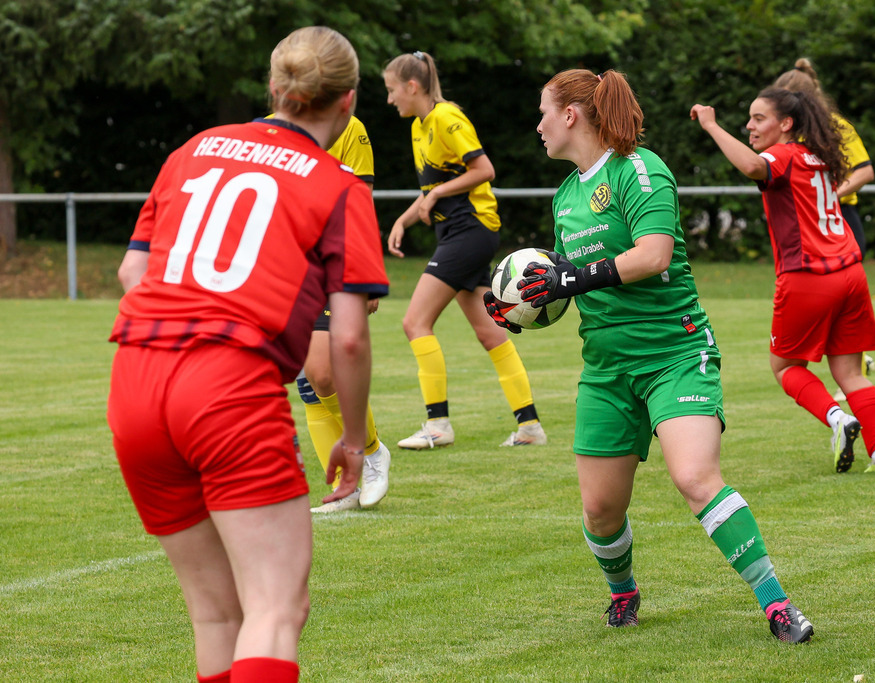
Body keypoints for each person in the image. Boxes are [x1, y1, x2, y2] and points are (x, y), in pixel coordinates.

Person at [486, 68, 814, 643]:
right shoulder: (566, 195)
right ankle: (623, 593)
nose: (536, 125)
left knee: (694, 476)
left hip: (675, 353)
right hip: (607, 369)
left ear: (571, 115)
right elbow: (567, 284)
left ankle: (777, 604)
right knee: (600, 511)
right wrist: (519, 306)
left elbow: (654, 255)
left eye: (543, 112)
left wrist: (573, 278)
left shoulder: (640, 168)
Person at [108, 26, 389, 683]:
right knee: (275, 607)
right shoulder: (341, 187)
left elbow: (130, 273)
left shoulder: (194, 149)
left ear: (273, 86)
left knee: (216, 616)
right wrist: (353, 437)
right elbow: (347, 334)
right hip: (228, 382)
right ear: (347, 103)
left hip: (136, 379)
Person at [690, 87, 875, 475]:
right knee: (850, 373)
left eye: (759, 118)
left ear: (785, 124)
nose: (750, 126)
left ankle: (839, 420)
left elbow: (754, 167)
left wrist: (711, 126)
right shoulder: (817, 156)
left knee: (785, 367)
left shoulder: (783, 155)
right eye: (749, 119)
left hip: (809, 277)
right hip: (851, 273)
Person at [382, 50, 546, 449]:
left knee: (414, 322)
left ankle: (437, 425)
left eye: (391, 90)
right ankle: (530, 427)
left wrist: (436, 192)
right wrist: (404, 219)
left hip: (469, 232)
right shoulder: (420, 127)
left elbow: (484, 170)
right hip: (456, 233)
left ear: (412, 86)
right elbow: (431, 191)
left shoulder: (446, 118)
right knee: (488, 332)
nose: (389, 99)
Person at [293, 115, 391, 512]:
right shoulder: (266, 129)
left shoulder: (349, 127)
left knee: (323, 372)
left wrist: (366, 272)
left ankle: (371, 453)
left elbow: (360, 201)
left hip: (330, 261)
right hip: (286, 264)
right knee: (308, 387)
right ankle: (342, 489)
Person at [774, 57, 875, 400]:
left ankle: (853, 366)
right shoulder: (788, 133)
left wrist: (832, 194)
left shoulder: (835, 127)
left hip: (838, 223)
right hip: (807, 229)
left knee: (839, 297)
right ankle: (852, 367)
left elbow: (864, 171)